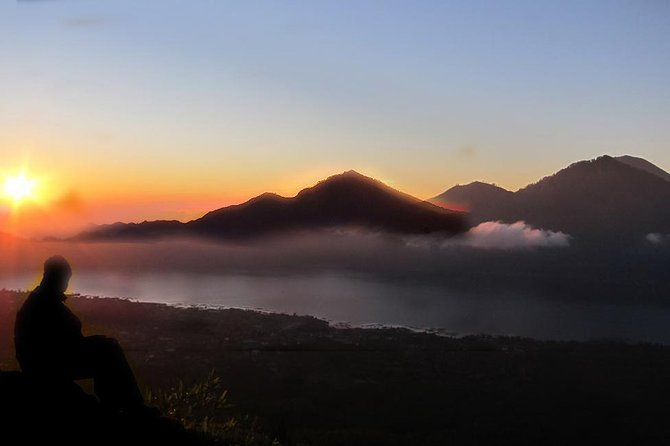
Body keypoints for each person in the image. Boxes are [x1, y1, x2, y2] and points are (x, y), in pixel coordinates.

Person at [14, 255, 153, 416]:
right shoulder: (43, 304)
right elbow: (61, 341)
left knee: (105, 347)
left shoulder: (41, 300)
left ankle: (121, 405)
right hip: (48, 367)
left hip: (45, 363)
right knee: (107, 349)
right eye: (65, 279)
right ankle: (130, 407)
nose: (66, 285)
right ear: (55, 277)